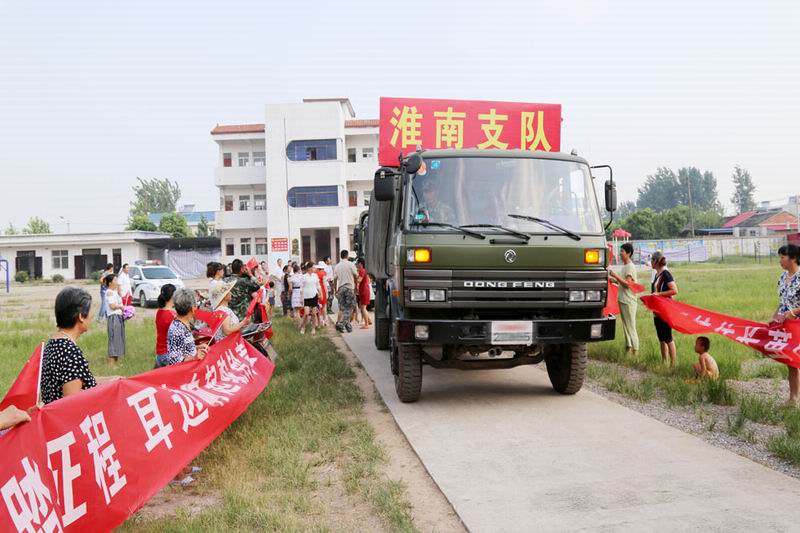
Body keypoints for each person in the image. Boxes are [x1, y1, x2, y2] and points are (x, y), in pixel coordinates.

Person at [40, 287, 119, 404]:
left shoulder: (53, 344)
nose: (92, 315)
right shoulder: (70, 353)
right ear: (81, 316)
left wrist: (112, 380)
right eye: (90, 310)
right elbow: (72, 404)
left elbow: (76, 380)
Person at [775, 244, 800, 406]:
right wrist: (775, 316)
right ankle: (793, 398)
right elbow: (782, 301)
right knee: (791, 361)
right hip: (788, 327)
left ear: (793, 258)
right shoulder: (783, 277)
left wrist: (794, 312)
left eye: (783, 257)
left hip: (798, 324)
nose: (780, 260)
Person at [164, 288, 209, 366]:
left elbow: (183, 347)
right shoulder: (177, 330)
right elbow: (174, 360)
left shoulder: (184, 324)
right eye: (196, 305)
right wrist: (194, 357)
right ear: (193, 309)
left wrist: (197, 347)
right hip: (185, 371)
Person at [648, 251, 678, 367]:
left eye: (651, 260)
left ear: (656, 261)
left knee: (668, 338)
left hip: (665, 310)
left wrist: (659, 294)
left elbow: (674, 290)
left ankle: (673, 364)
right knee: (661, 338)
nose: (650, 262)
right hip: (657, 311)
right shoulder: (656, 275)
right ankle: (664, 362)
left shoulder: (666, 274)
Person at [609, 243, 639, 355]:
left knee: (631, 327)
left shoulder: (630, 267)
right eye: (620, 251)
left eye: (622, 251)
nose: (620, 253)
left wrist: (615, 276)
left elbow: (627, 284)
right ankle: (628, 347)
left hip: (628, 301)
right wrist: (614, 280)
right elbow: (622, 283)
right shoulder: (625, 266)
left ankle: (635, 351)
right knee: (626, 327)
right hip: (622, 299)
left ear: (628, 253)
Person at [333, 249, 358, 333]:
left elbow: (334, 279)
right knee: (350, 307)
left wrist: (335, 290)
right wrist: (356, 286)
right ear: (347, 256)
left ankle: (348, 326)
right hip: (349, 287)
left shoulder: (337, 266)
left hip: (340, 288)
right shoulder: (351, 264)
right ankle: (341, 323)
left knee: (343, 308)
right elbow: (356, 275)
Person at [103, 274, 126, 364]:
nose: (117, 282)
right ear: (110, 283)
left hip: (118, 316)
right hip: (113, 317)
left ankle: (117, 361)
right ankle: (111, 363)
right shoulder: (109, 292)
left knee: (118, 339)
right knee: (113, 339)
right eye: (115, 280)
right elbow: (112, 306)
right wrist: (121, 307)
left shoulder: (114, 292)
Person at [154, 284, 178, 368]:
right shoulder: (172, 315)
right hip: (169, 355)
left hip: (159, 354)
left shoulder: (159, 312)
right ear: (172, 296)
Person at [300, 263, 320, 335]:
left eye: (314, 267)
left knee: (314, 314)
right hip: (306, 296)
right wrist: (301, 297)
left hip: (314, 295)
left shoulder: (315, 275)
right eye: (312, 267)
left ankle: (313, 328)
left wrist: (320, 293)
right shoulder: (304, 276)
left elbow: (318, 286)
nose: (314, 268)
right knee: (306, 313)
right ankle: (303, 327)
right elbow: (301, 288)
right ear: (308, 268)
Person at [356, 258, 373, 329]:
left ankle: (366, 324)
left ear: (360, 264)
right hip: (363, 290)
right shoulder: (362, 270)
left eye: (357, 263)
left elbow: (359, 280)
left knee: (363, 308)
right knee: (361, 307)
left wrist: (354, 278)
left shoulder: (362, 270)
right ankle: (369, 321)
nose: (357, 265)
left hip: (364, 291)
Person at [315, 261, 329, 325]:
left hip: (317, 290)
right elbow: (325, 284)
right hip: (322, 290)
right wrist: (327, 292)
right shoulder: (324, 273)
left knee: (318, 306)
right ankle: (324, 320)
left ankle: (319, 320)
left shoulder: (315, 273)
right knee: (324, 306)